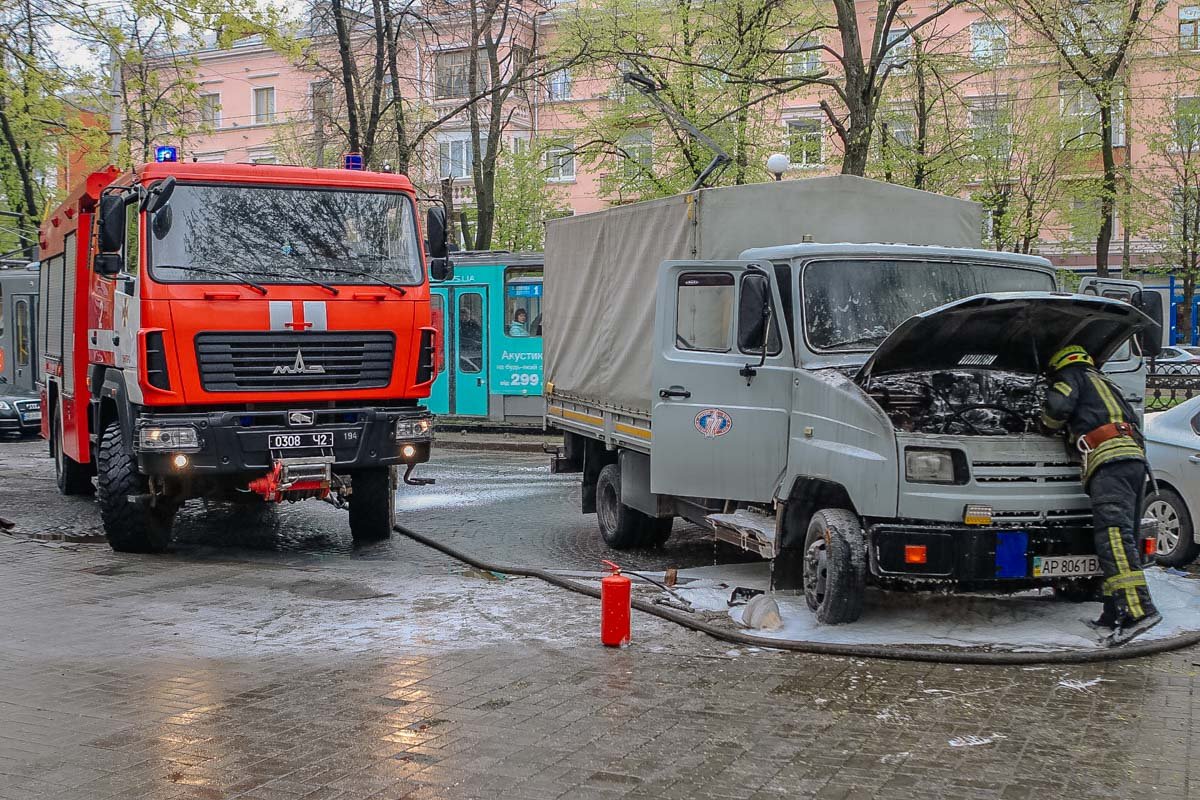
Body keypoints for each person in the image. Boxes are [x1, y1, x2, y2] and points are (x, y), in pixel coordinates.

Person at [1040, 344, 1161, 646]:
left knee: (1114, 537)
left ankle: (1139, 611)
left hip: (1110, 463)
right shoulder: (1107, 383)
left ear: (1058, 364)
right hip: (1134, 462)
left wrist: (1046, 424)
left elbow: (1056, 411)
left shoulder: (1070, 376)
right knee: (1126, 534)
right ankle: (1113, 611)